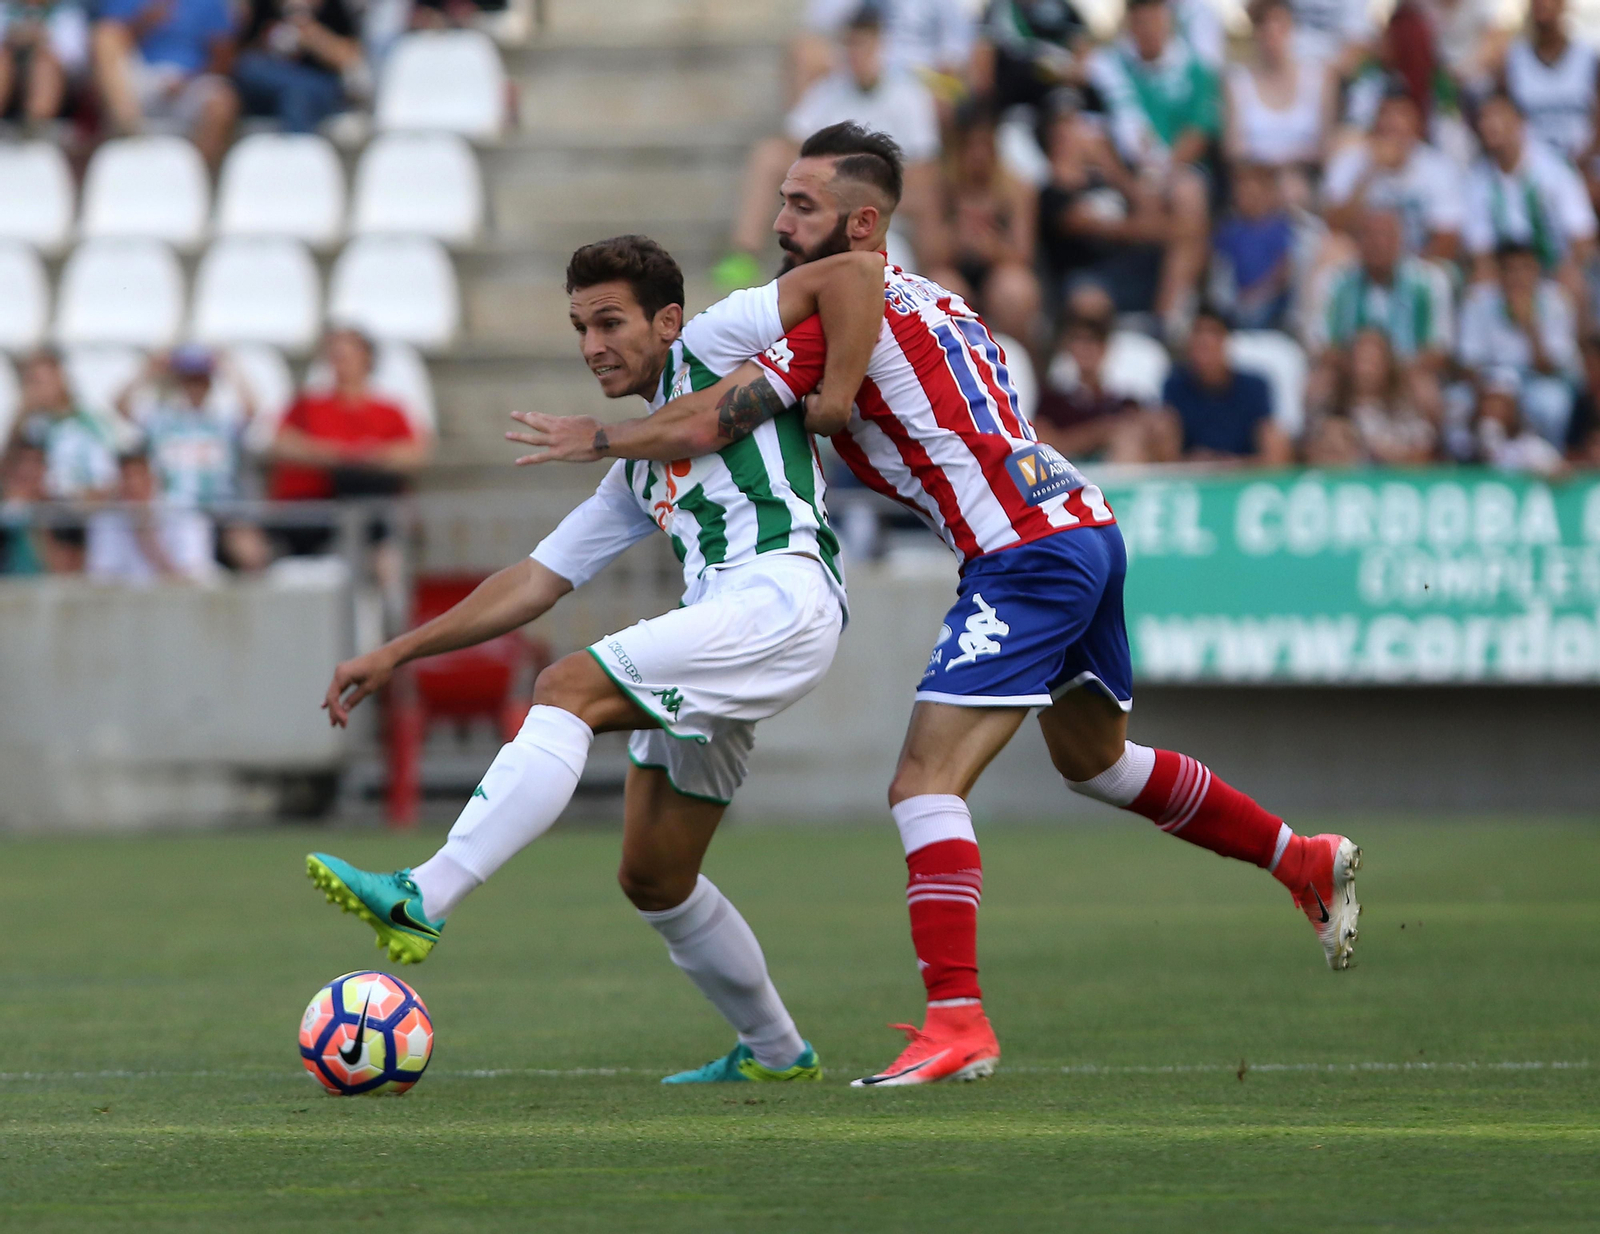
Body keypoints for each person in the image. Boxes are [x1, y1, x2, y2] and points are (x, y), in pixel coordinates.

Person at [515, 123, 1364, 1088]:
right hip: (1078, 522)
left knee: (923, 784)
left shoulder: (836, 318)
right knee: (1095, 761)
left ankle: (957, 1021)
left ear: (861, 221)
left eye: (802, 207)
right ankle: (1300, 857)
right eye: (783, 201)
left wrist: (605, 437)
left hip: (1023, 552)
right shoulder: (940, 298)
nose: (783, 223)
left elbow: (719, 414)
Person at [304, 235, 888, 1084]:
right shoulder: (637, 473)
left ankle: (425, 893)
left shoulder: (717, 343)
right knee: (654, 876)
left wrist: (834, 396)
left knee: (565, 685)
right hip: (729, 618)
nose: (591, 346)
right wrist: (397, 650)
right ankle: (776, 1051)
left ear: (669, 321)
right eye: (580, 327)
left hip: (779, 596)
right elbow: (534, 582)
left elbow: (853, 272)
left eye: (610, 322)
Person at [716, 5, 940, 292]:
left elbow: (925, 172)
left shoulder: (910, 95)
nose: (856, 55)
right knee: (768, 154)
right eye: (851, 45)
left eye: (864, 46)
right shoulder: (829, 91)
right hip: (831, 201)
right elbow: (794, 141)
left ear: (881, 46)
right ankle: (744, 254)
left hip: (886, 209)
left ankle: (934, 273)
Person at [1088, 0, 1218, 332]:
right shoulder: (1109, 67)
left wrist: (1161, 174)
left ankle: (1165, 316)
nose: (1148, 29)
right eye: (1141, 22)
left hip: (1175, 172)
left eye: (1155, 20)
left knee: (1189, 195)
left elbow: (1199, 132)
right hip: (1122, 176)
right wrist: (1129, 184)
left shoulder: (1195, 68)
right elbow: (1097, 135)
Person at [114, 346, 271, 572]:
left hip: (220, 511)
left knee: (251, 553)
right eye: (189, 381)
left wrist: (229, 367)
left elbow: (252, 409)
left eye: (201, 381)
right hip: (173, 514)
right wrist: (148, 370)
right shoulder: (162, 421)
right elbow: (120, 405)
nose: (195, 388)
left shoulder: (222, 423)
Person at [1308, 207, 1453, 423]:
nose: (1378, 243)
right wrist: (1362, 366)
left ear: (1401, 240)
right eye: (1369, 235)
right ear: (1357, 241)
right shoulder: (1334, 281)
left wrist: (1390, 369)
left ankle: (1426, 452)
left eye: (1386, 235)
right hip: (1350, 370)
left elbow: (1438, 350)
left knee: (1426, 391)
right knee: (1317, 386)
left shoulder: (1429, 281)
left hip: (1407, 370)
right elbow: (1320, 344)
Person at [1463, 91, 1597, 302]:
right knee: (1478, 289)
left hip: (1553, 268)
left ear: (1519, 121)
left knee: (1574, 283)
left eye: (1498, 116)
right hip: (1506, 276)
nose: (1490, 125)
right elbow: (1481, 250)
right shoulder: (1477, 179)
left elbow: (1582, 236)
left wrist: (1568, 267)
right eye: (1484, 118)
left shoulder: (1555, 169)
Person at [925, 105, 1040, 344]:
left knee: (1015, 291)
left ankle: (1017, 360)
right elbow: (928, 254)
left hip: (1000, 269)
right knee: (944, 289)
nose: (978, 155)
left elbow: (1024, 253)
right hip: (955, 267)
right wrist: (958, 239)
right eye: (970, 147)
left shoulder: (1015, 189)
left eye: (985, 146)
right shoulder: (941, 189)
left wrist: (991, 248)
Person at [1457, 241, 1582, 449]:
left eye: (1525, 268)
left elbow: (1551, 368)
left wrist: (1530, 327)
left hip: (1535, 382)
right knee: (1458, 402)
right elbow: (1468, 364)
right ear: (1499, 273)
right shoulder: (1478, 300)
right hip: (1490, 382)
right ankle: (1469, 466)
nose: (1518, 277)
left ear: (1537, 271)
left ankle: (1550, 459)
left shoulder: (1557, 302)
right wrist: (1492, 393)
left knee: (1553, 403)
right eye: (1510, 269)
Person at [1321, 87, 1463, 262]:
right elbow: (1335, 227)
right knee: (1332, 249)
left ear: (1417, 125)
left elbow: (1447, 238)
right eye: (1385, 115)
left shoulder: (1438, 168)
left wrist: (1405, 274)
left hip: (1418, 263)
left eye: (1401, 116)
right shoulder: (1352, 161)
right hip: (1364, 264)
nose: (1392, 123)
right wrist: (1369, 172)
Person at [92, 0, 239, 168]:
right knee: (104, 34)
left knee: (223, 104)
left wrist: (187, 80)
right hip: (141, 79)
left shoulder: (209, 3)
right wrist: (145, 21)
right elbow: (111, 40)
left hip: (191, 81)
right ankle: (132, 137)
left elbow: (224, 56)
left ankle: (190, 176)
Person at [1224, 0, 1336, 204]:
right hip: (1253, 186)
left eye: (1279, 27)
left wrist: (1291, 169)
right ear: (1255, 32)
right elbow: (1234, 151)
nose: (1272, 37)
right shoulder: (1237, 82)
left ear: (1292, 29)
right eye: (1264, 29)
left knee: (1294, 190)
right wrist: (1270, 176)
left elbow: (1327, 147)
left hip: (1304, 181)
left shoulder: (1319, 78)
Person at [1158, 306, 1291, 464]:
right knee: (1161, 426)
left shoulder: (1255, 386)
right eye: (1198, 335)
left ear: (1225, 341)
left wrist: (1232, 463)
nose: (1204, 342)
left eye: (1211, 336)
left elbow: (1268, 436)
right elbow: (1169, 443)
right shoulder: (1175, 384)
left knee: (1276, 436)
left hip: (1243, 468)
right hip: (1191, 469)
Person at [1303, 328, 1438, 466]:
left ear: (1387, 364)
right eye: (1360, 359)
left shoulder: (1406, 410)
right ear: (1348, 362)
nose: (1365, 369)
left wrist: (1384, 452)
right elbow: (1307, 450)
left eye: (1372, 360)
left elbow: (1424, 453)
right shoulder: (1329, 406)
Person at [85, 446, 218, 583]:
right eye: (126, 477)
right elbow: (102, 580)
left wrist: (146, 533)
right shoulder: (105, 522)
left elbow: (191, 581)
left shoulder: (187, 518)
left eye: (140, 476)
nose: (133, 484)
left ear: (155, 479)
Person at [233, 0, 362, 133]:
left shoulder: (333, 7)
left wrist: (312, 35)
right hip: (268, 87)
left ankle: (297, 149)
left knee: (297, 98)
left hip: (319, 87)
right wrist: (267, 40)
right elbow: (241, 58)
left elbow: (350, 60)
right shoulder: (264, 6)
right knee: (250, 67)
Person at [1501, 0, 1599, 169]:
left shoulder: (1588, 57)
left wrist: (1578, 164)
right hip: (1532, 171)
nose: (1543, 4)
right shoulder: (1514, 59)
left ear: (1564, 5)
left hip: (1585, 166)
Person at [1210, 161, 1296, 331]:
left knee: (1255, 314)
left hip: (1271, 303)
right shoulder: (1230, 229)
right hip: (1236, 301)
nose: (1246, 199)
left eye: (1253, 195)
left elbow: (1283, 272)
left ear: (1269, 195)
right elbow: (1220, 266)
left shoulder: (1281, 228)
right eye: (1242, 194)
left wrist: (1257, 296)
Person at [0, 0, 89, 124]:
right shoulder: (5, 9)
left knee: (45, 63)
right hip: (10, 80)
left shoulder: (66, 13)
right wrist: (12, 40)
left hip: (61, 90)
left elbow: (76, 62)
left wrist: (42, 40)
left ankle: (36, 125)